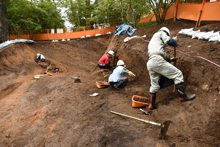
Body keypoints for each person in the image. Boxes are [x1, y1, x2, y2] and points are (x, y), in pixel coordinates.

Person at [147, 27, 196, 109]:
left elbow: (156, 54)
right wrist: (174, 40)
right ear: (166, 33)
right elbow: (170, 42)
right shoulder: (161, 33)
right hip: (157, 60)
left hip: (150, 63)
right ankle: (183, 96)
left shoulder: (153, 41)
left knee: (154, 85)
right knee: (178, 74)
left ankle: (151, 104)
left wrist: (170, 59)